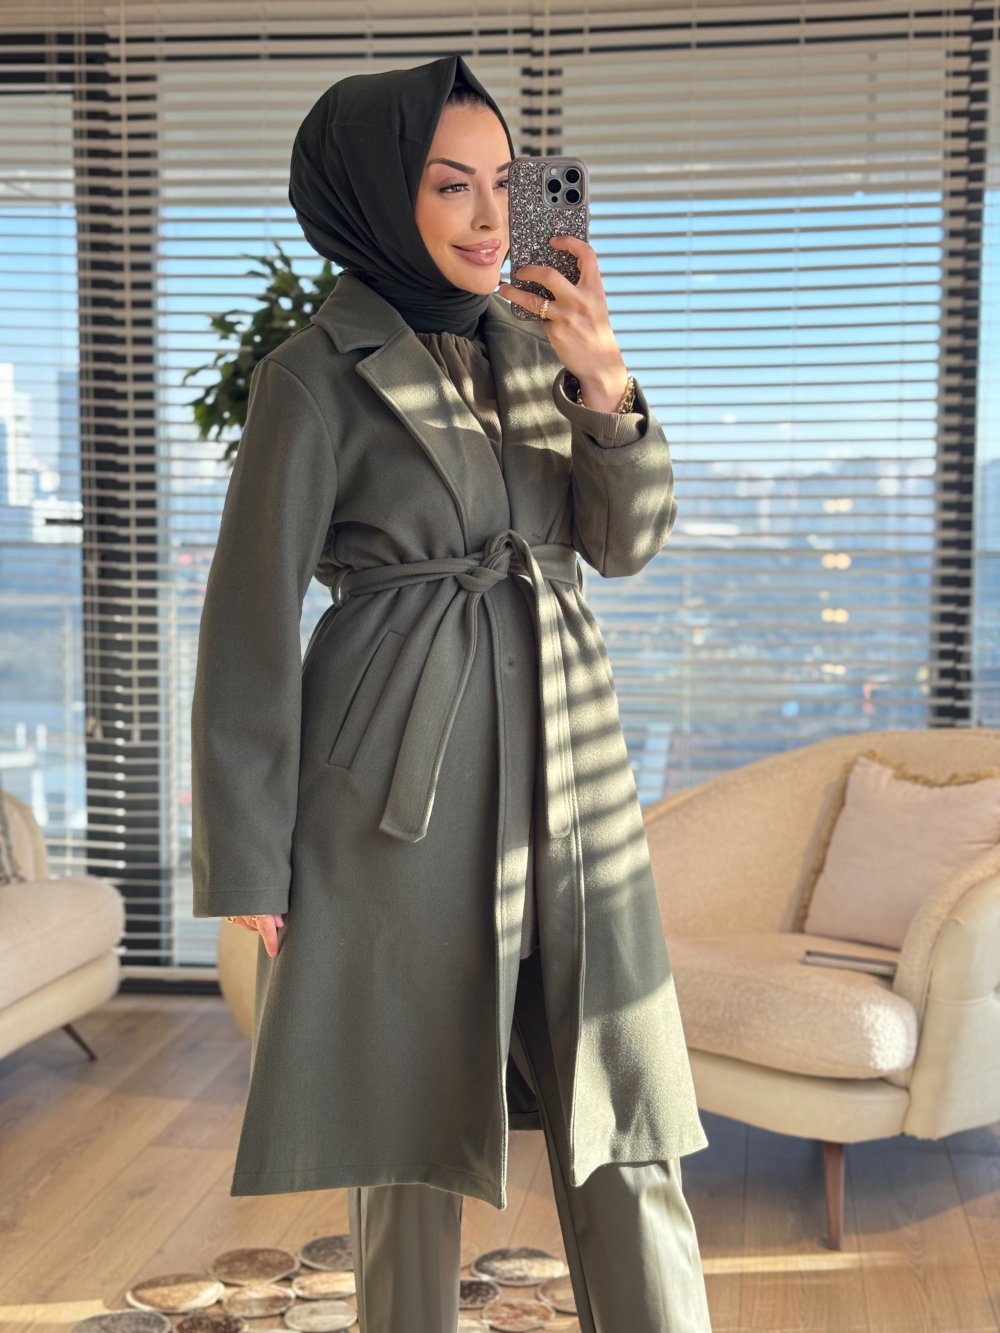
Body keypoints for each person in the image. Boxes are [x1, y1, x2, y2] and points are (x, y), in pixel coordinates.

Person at [190, 52, 713, 1332]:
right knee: (406, 1138)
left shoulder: (544, 348)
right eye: (449, 185)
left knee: (626, 1112)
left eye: (503, 182)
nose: (489, 217)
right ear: (380, 194)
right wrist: (251, 858)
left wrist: (604, 382)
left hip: (570, 769)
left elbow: (626, 542)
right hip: (393, 787)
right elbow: (250, 618)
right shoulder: (312, 372)